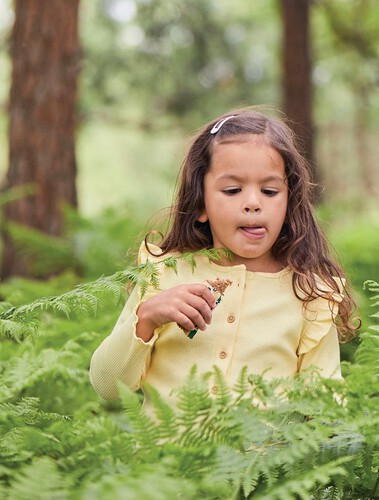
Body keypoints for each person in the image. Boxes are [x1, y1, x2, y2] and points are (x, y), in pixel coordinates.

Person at [89, 108, 358, 414]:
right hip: (164, 459)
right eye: (233, 190)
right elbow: (107, 385)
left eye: (270, 191)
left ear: (289, 202)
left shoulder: (309, 295)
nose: (253, 203)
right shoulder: (165, 273)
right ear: (201, 203)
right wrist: (148, 316)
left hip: (262, 462)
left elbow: (327, 408)